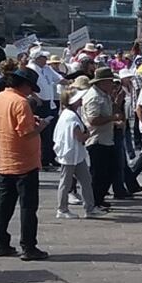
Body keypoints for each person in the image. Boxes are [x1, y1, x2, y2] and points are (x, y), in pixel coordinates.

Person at [0, 67, 49, 261]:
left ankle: (1, 243)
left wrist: (32, 121)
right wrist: (40, 127)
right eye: (30, 88)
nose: (31, 92)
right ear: (24, 85)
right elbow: (26, 133)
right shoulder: (21, 102)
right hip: (24, 162)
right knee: (28, 207)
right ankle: (29, 246)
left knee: (3, 205)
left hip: (5, 160)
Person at [53, 88, 103, 220]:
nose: (81, 100)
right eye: (79, 99)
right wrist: (89, 133)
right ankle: (62, 209)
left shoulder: (68, 113)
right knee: (66, 182)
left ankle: (90, 208)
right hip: (70, 154)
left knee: (86, 180)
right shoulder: (71, 116)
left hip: (76, 154)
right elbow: (79, 137)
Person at [83, 68, 122, 210]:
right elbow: (93, 119)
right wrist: (112, 118)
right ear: (103, 82)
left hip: (106, 139)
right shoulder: (94, 97)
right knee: (99, 173)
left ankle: (99, 198)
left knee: (110, 171)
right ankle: (94, 201)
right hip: (97, 140)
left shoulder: (104, 95)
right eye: (110, 81)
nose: (112, 84)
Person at [29, 49, 62, 169]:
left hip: (50, 103)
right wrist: (36, 98)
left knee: (50, 132)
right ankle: (42, 160)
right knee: (41, 132)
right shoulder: (31, 69)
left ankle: (50, 158)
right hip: (38, 103)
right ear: (37, 58)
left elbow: (58, 78)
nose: (46, 59)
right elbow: (28, 86)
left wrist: (69, 82)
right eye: (43, 57)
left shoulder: (47, 68)